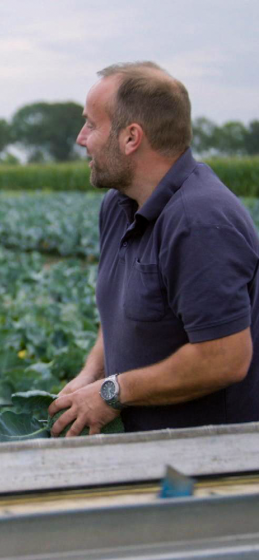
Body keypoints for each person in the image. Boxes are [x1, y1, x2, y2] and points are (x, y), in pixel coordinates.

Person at [49, 62, 259, 436]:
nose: (82, 138)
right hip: (144, 450)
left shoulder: (199, 222)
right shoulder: (119, 205)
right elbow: (125, 312)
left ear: (131, 137)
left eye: (92, 125)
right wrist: (92, 374)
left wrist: (112, 393)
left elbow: (225, 358)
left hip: (208, 461)